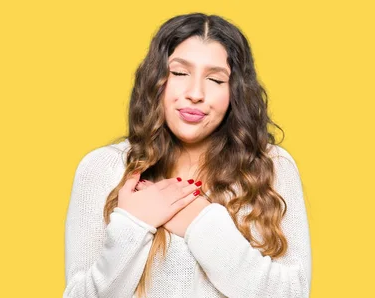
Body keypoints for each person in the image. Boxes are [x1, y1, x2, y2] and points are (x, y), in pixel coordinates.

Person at [63, 13, 312, 298]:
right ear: (156, 79)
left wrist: (200, 220)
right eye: (179, 73)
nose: (195, 93)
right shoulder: (102, 168)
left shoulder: (271, 166)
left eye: (216, 79)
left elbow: (293, 294)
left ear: (235, 92)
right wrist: (134, 225)